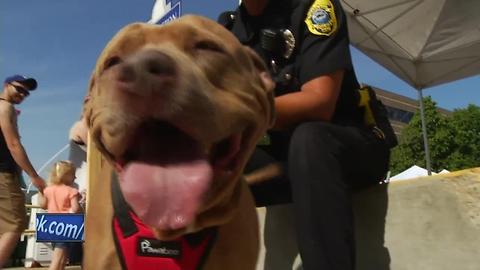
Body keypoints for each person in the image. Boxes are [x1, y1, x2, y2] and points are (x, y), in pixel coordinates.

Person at [219, 1, 393, 269]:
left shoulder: (314, 8)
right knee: (208, 159)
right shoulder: (228, 30)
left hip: (349, 146)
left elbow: (320, 102)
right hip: (291, 163)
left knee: (310, 138)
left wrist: (235, 111)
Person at [0, 74, 46, 268]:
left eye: (26, 93)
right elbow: (13, 144)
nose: (22, 94)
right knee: (15, 225)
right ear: (7, 84)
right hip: (3, 174)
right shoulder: (6, 107)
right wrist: (34, 176)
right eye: (19, 88)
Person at [38, 160, 81, 270]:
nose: (75, 177)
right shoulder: (72, 191)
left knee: (61, 257)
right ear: (66, 175)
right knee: (58, 258)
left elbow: (43, 205)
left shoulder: (48, 190)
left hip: (50, 223)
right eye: (73, 175)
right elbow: (75, 209)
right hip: (65, 224)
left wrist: (41, 192)